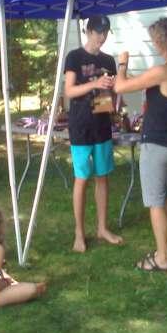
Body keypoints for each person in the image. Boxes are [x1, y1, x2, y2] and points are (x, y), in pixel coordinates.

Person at [114, 17, 167, 272]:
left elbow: (121, 86)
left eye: (155, 39)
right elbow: (145, 83)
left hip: (157, 145)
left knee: (155, 203)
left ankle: (162, 258)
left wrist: (122, 64)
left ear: (162, 41)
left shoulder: (164, 70)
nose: (153, 43)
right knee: (164, 199)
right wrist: (129, 77)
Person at [64, 14, 122, 252]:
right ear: (88, 32)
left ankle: (102, 228)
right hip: (81, 125)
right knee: (82, 178)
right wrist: (95, 84)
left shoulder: (108, 60)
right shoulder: (75, 57)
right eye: (98, 32)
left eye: (105, 32)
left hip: (102, 124)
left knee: (102, 176)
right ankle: (79, 233)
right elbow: (69, 91)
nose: (102, 37)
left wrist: (115, 99)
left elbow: (114, 91)